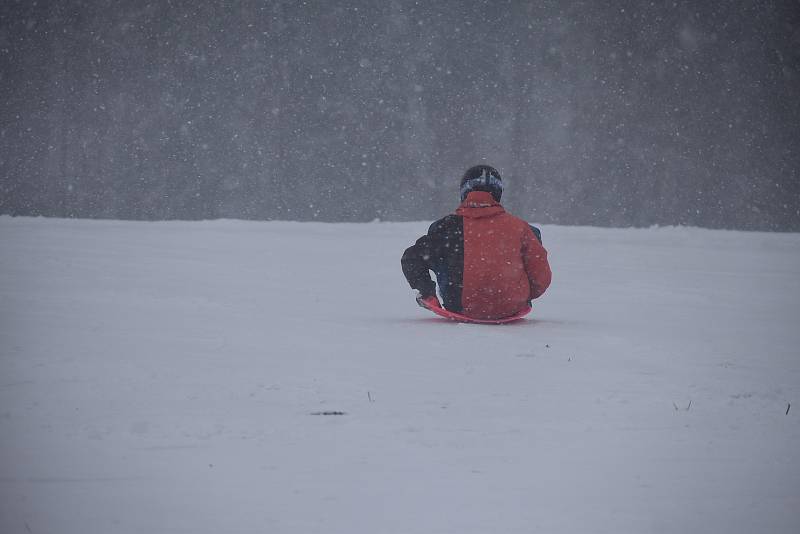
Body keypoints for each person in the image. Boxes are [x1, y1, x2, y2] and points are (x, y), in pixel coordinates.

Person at [401, 165, 551, 320]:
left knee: (443, 249)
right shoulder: (522, 228)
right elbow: (541, 278)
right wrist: (522, 295)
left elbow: (411, 259)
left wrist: (427, 292)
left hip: (458, 307)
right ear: (498, 193)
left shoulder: (445, 227)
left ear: (464, 193)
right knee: (528, 241)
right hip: (510, 307)